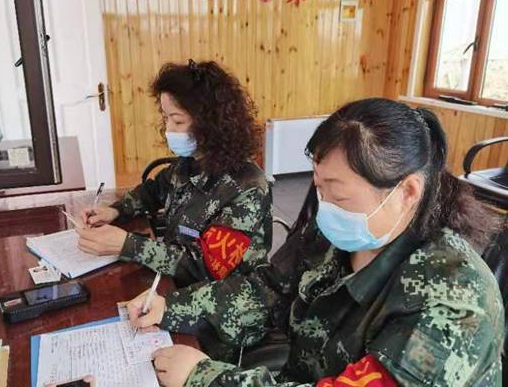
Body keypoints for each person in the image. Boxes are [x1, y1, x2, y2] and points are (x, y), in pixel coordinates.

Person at [127, 98, 504, 386]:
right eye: (319, 187)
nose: (325, 207)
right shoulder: (335, 232)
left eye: (337, 193)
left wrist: (205, 377)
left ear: (407, 192)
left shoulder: (454, 301)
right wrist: (170, 307)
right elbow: (267, 289)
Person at [76, 60, 272, 288]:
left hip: (221, 297)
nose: (168, 129)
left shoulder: (247, 188)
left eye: (178, 120)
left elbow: (207, 266)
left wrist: (128, 245)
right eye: (166, 117)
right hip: (175, 282)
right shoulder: (191, 162)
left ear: (211, 124)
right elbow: (153, 190)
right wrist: (115, 210)